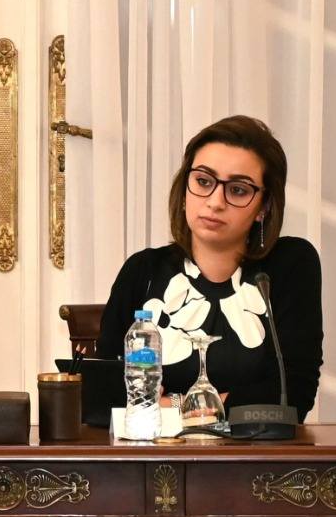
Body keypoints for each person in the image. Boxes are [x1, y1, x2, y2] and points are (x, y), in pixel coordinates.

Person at [96, 116, 323, 416]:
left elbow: (293, 395)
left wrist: (173, 405)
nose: (215, 202)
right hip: (156, 445)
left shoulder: (289, 265)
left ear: (264, 207)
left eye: (238, 190)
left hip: (252, 447)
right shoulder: (143, 271)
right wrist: (228, 404)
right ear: (184, 189)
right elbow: (105, 395)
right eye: (203, 182)